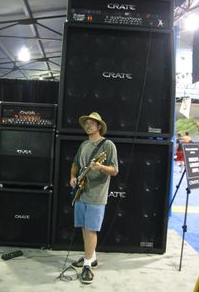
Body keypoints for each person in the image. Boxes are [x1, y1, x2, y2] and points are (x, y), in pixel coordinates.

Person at [69, 112, 118, 284]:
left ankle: (87, 266)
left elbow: (114, 170)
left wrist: (100, 167)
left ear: (99, 127)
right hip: (81, 192)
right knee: (84, 228)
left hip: (97, 195)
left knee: (91, 230)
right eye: (86, 123)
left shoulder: (108, 145)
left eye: (92, 123)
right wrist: (73, 177)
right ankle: (92, 257)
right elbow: (75, 164)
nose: (88, 126)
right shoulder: (83, 144)